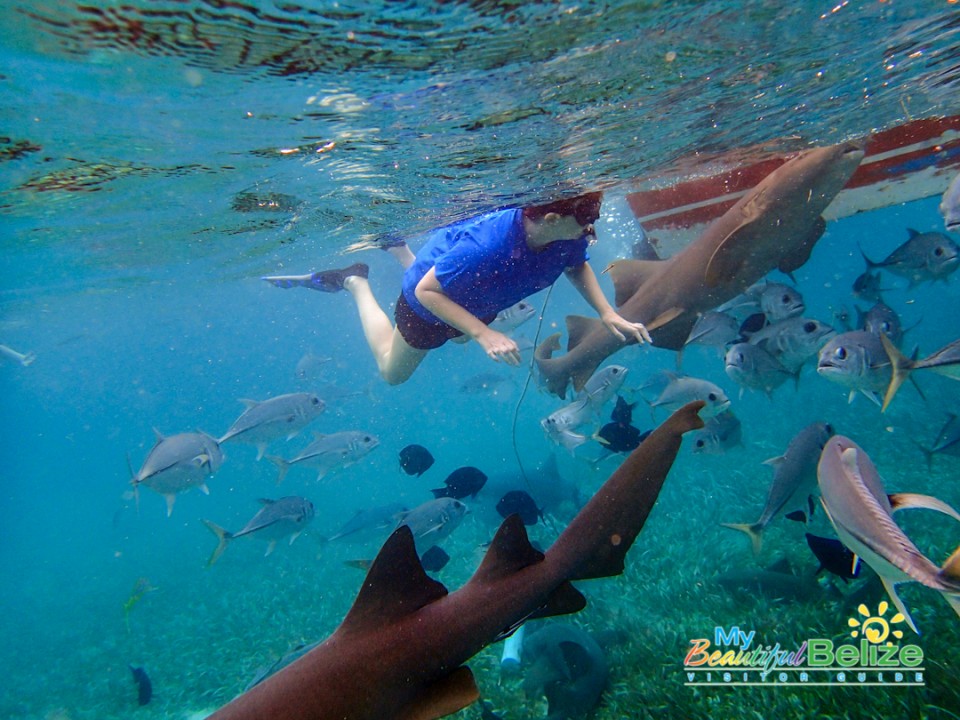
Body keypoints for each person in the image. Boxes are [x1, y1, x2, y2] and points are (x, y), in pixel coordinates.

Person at [263, 192, 650, 385]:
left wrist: (608, 313)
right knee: (391, 372)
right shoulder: (488, 246)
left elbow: (576, 264)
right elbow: (428, 293)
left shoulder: (567, 236)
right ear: (550, 218)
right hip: (428, 303)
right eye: (587, 217)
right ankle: (356, 280)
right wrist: (483, 332)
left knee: (462, 338)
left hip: (477, 295)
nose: (591, 226)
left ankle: (402, 252)